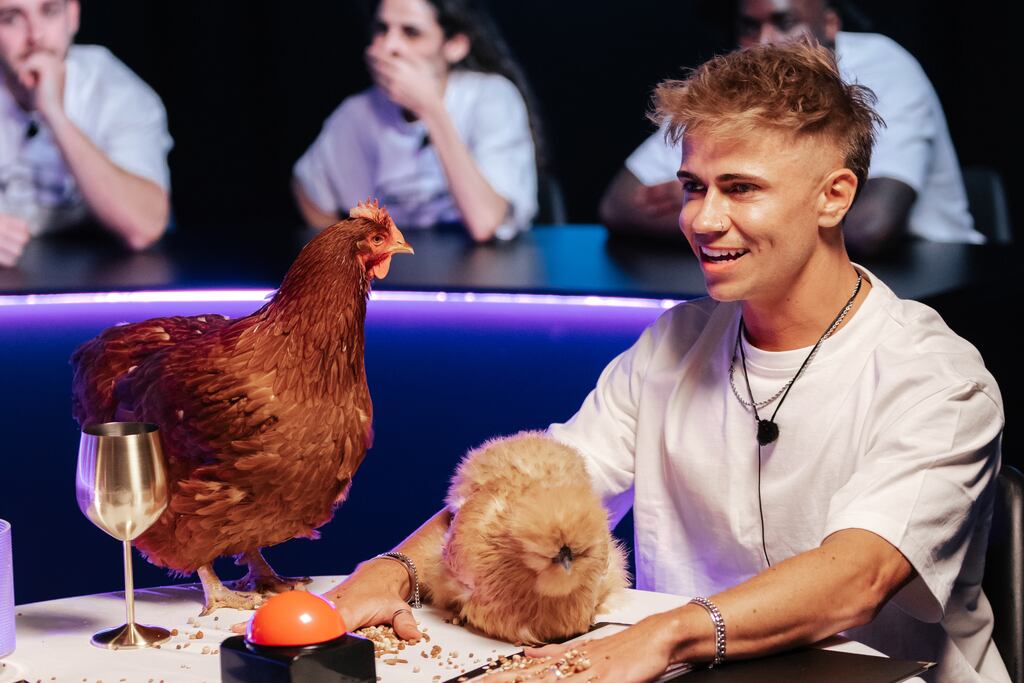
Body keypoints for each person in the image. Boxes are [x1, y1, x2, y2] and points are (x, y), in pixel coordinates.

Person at [321, 41, 1007, 683]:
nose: (703, 220)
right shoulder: (671, 344)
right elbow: (529, 493)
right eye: (692, 186)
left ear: (834, 195)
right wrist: (395, 569)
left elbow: (857, 576)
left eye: (740, 188)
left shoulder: (938, 376)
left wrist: (666, 634)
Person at [600, 0, 982, 255]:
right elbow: (620, 204)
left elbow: (871, 227)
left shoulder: (882, 64)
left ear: (829, 22)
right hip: (784, 266)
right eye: (750, 27)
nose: (765, 42)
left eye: (784, 22)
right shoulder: (739, 76)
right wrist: (747, 207)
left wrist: (739, 207)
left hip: (928, 266)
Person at [292, 0, 538, 243]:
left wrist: (430, 109)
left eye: (411, 33)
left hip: (483, 267)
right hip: (401, 266)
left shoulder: (491, 97)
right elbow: (308, 188)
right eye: (382, 29)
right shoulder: (358, 113)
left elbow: (485, 222)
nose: (389, 46)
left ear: (455, 45)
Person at [0, 0, 173, 268]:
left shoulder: (118, 93)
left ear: (73, 15)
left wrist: (54, 113)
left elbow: (143, 228)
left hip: (105, 280)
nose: (35, 36)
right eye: (11, 18)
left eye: (50, 11)